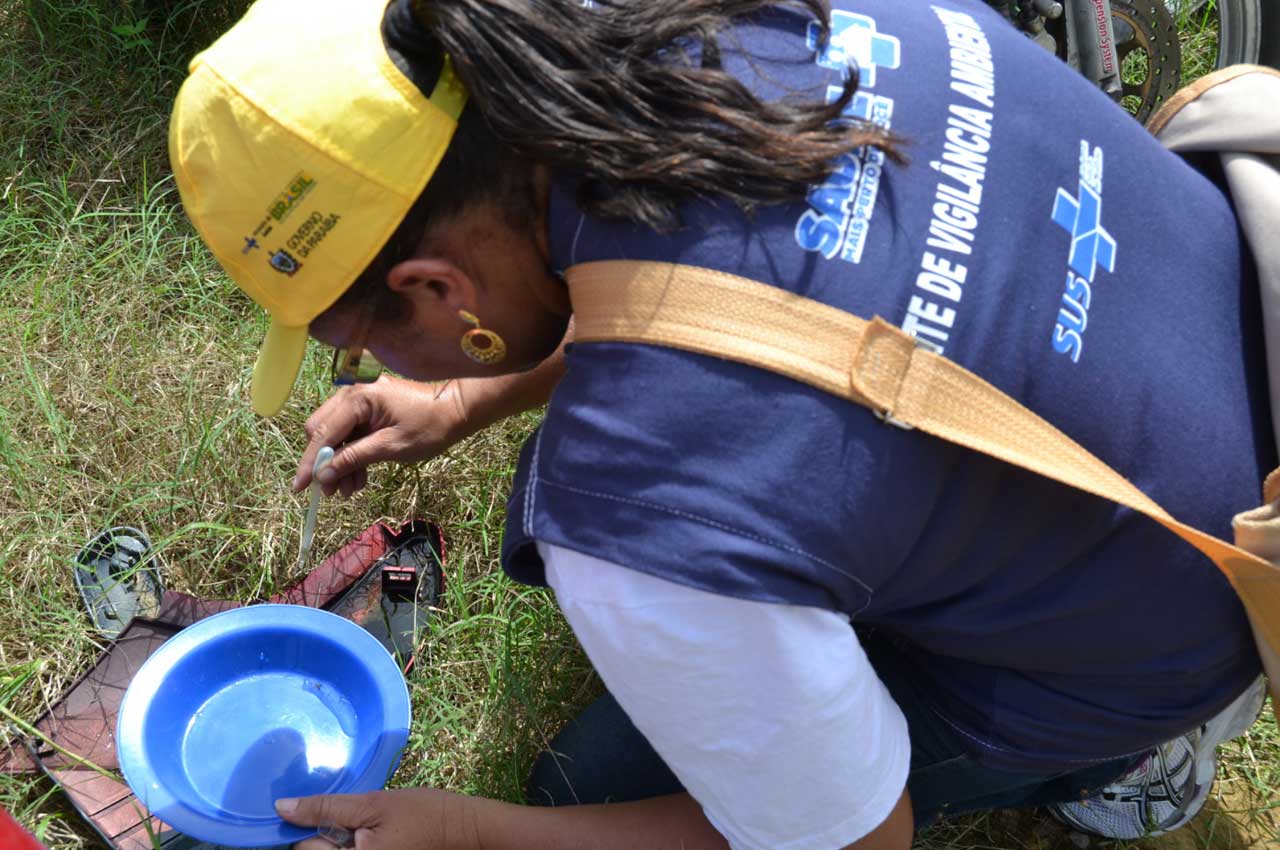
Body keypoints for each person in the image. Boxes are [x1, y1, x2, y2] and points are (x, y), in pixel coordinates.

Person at [167, 0, 1269, 847]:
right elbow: (762, 284)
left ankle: (1129, 754)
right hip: (1229, 339)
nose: (367, 367)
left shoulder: (629, 516)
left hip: (1190, 620)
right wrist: (465, 393)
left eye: (353, 341)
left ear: (437, 291)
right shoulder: (710, 30)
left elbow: (854, 841)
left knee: (590, 787)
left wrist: (473, 830)